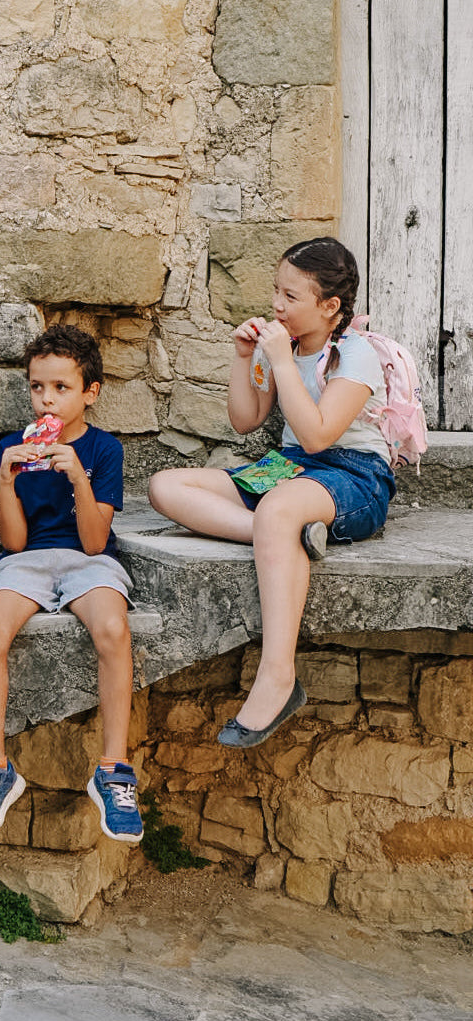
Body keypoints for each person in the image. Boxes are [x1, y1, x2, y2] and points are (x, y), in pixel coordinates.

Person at [148, 236, 394, 747]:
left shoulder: (356, 354)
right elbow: (246, 420)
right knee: (165, 485)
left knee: (280, 506)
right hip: (288, 468)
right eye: (275, 292)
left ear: (330, 307)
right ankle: (279, 535)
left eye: (291, 297)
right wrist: (244, 357)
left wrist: (281, 361)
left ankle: (278, 676)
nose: (277, 306)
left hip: (352, 474)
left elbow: (319, 435)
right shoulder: (280, 345)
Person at [0, 325, 143, 844]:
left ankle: (113, 769)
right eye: (38, 387)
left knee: (111, 627)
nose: (47, 399)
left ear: (90, 392)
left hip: (89, 560)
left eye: (61, 388)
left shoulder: (104, 450)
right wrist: (6, 479)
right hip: (31, 558)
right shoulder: (16, 446)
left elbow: (93, 542)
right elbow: (15, 544)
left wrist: (77, 476)